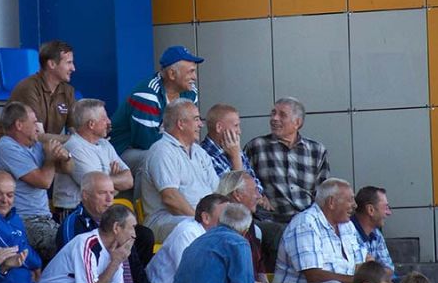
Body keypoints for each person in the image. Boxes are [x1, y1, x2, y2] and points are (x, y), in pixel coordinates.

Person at [56, 171, 162, 283]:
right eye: (102, 193)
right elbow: (79, 274)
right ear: (85, 195)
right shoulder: (74, 226)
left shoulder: (119, 229)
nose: (109, 199)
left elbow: (131, 263)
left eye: (112, 193)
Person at [217, 170, 312, 283]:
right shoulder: (223, 222)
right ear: (237, 195)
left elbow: (259, 267)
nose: (259, 197)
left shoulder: (252, 226)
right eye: (255, 190)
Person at [0, 101, 73, 262]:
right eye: (34, 122)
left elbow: (68, 170)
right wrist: (50, 158)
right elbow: (44, 181)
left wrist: (65, 157)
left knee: (79, 240)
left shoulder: (35, 146)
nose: (38, 127)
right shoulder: (6, 148)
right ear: (19, 125)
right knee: (69, 248)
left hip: (44, 219)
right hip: (23, 221)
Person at [110, 45, 204, 187]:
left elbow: (190, 131)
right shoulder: (147, 95)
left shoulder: (190, 92)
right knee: (156, 158)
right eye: (190, 72)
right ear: (172, 74)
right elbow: (147, 143)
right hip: (123, 151)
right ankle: (147, 202)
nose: (194, 77)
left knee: (198, 155)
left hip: (165, 146)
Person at [200, 103, 282, 266]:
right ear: (219, 127)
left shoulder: (235, 151)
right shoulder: (206, 155)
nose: (239, 131)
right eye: (236, 125)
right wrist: (236, 158)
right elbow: (234, 192)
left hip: (252, 212)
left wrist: (254, 193)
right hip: (230, 216)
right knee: (276, 232)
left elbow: (255, 186)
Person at [274, 177, 365, 283]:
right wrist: (358, 282)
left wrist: (373, 280)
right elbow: (314, 277)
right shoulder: (306, 223)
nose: (355, 205)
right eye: (350, 200)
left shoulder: (347, 225)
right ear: (331, 202)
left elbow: (360, 265)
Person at [141, 98, 219, 242]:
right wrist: (201, 221)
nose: (201, 124)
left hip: (203, 218)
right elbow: (171, 198)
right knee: (192, 229)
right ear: (181, 124)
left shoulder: (200, 152)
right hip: (166, 220)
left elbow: (216, 191)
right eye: (196, 119)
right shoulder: (162, 151)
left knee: (245, 226)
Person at [245, 97, 330, 224]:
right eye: (273, 113)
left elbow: (323, 194)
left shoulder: (317, 150)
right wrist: (258, 195)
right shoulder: (256, 146)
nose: (274, 118)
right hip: (270, 220)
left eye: (282, 115)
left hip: (306, 220)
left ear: (297, 123)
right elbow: (242, 179)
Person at [0, 40, 76, 157]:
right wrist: (74, 140)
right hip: (11, 153)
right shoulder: (28, 88)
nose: (73, 68)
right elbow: (38, 136)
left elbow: (76, 131)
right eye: (69, 63)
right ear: (52, 64)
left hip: (36, 152)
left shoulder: (68, 91)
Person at [52, 99, 133, 218]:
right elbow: (96, 188)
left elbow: (129, 180)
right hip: (75, 213)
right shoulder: (75, 148)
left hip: (98, 210)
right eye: (104, 118)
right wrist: (114, 183)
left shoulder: (105, 144)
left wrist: (107, 181)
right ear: (91, 124)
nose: (109, 121)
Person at [146, 193, 228, 283]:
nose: (230, 220)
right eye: (225, 216)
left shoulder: (219, 235)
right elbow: (192, 276)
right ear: (206, 217)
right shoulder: (187, 233)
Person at [352, 186, 395, 277]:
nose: (389, 213)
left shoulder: (376, 233)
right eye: (386, 207)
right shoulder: (346, 233)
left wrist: (372, 266)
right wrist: (375, 269)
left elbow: (390, 270)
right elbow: (360, 275)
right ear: (370, 210)